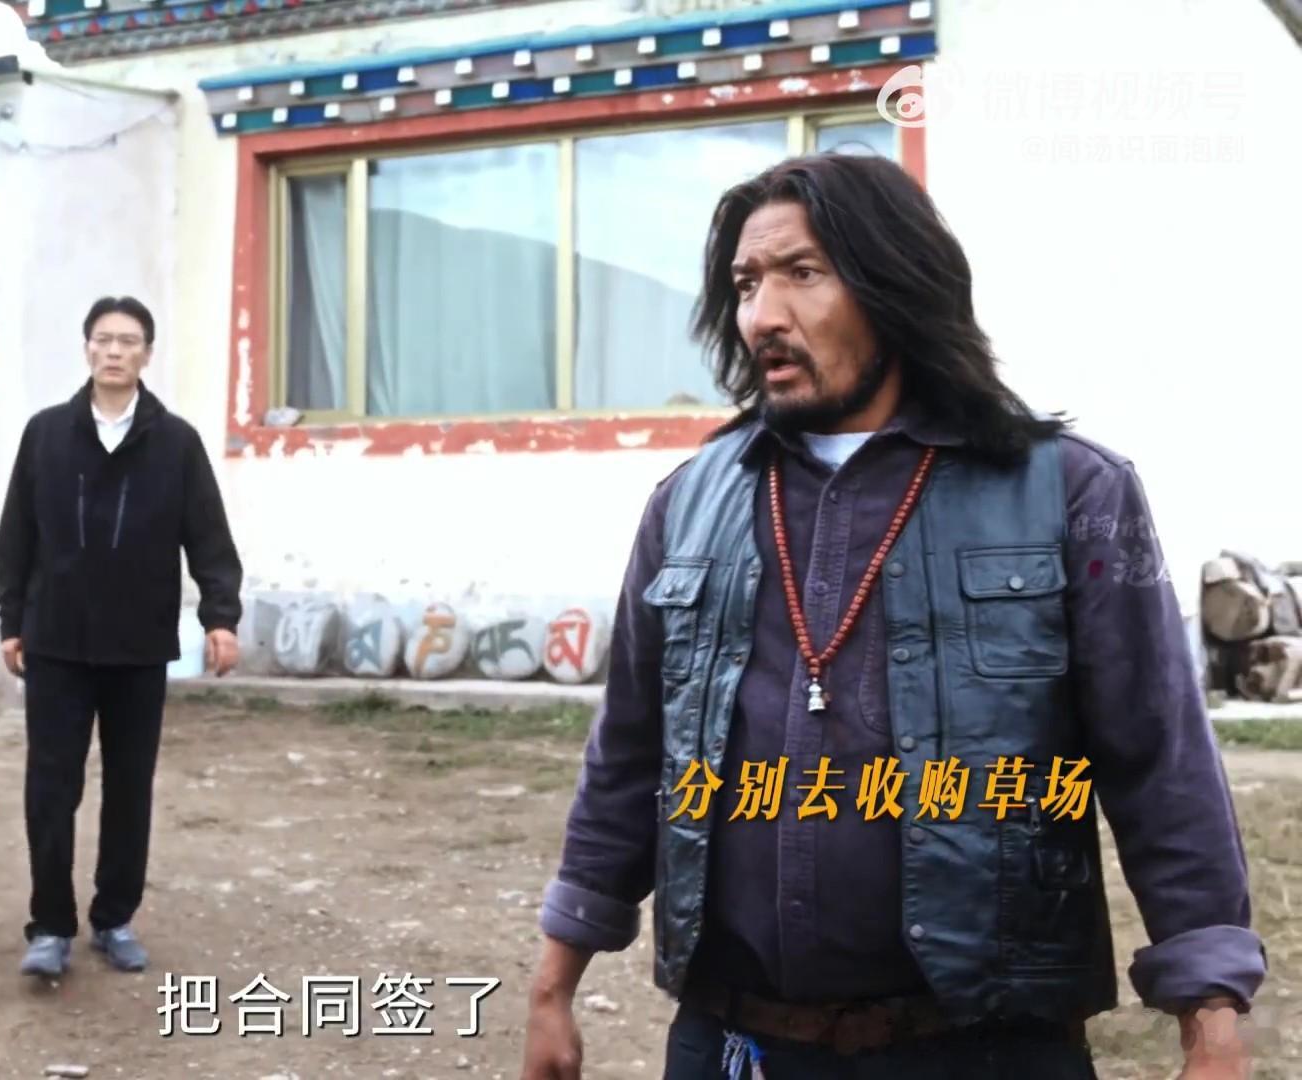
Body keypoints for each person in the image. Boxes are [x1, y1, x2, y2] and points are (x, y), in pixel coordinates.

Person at [520, 152, 1260, 1079]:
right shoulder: (690, 504)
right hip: (736, 1042)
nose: (762, 315)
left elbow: (1160, 765)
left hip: (985, 1051)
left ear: (893, 286)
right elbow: (631, 757)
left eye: (802, 273)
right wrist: (553, 985)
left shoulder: (1068, 492)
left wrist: (1210, 1022)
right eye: (746, 284)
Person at [0, 295, 245, 979]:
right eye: (103, 339)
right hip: (56, 643)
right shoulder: (46, 435)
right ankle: (50, 926)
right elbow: (15, 537)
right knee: (52, 788)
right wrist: (12, 622)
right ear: (87, 348)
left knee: (130, 788)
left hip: (138, 646)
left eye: (128, 340)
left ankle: (114, 919)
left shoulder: (176, 443)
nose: (114, 351)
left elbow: (209, 539)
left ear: (146, 354)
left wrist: (220, 618)